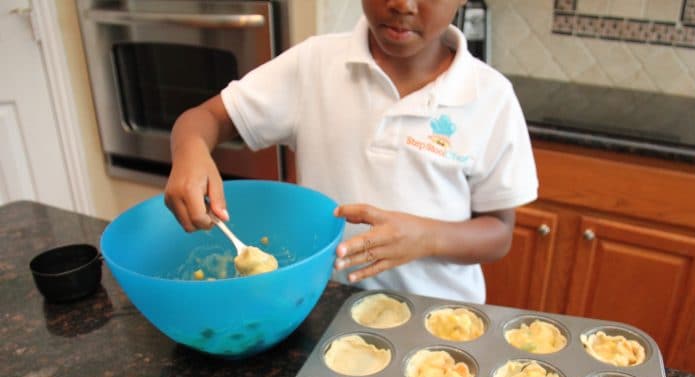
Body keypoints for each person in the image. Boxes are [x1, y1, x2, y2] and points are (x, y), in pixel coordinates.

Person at [165, 0, 538, 304]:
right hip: (327, 305)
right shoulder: (314, 64)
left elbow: (499, 232)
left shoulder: (490, 97)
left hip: (437, 319)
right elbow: (204, 118)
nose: (401, 4)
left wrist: (426, 237)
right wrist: (190, 150)